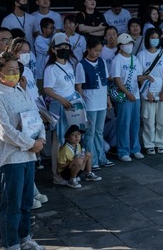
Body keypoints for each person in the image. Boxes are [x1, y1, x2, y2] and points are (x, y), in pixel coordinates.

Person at [0, 52, 47, 250]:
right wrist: (31, 144)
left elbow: (35, 116)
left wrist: (41, 138)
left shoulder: (21, 90)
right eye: (10, 71)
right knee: (11, 205)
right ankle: (10, 249)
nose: (14, 74)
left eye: (17, 70)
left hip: (28, 155)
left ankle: (25, 238)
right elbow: (4, 131)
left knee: (26, 202)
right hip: (10, 158)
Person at [42, 33, 85, 170]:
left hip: (72, 106)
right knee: (58, 139)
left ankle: (72, 169)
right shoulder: (51, 68)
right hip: (59, 106)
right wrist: (61, 99)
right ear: (54, 49)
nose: (64, 49)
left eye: (67, 47)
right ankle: (56, 172)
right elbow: (47, 89)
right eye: (61, 47)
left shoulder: (70, 64)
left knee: (73, 137)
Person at [76, 36, 113, 171]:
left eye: (100, 50)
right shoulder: (81, 65)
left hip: (101, 101)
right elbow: (79, 86)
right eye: (96, 50)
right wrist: (82, 103)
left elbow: (105, 83)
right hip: (90, 102)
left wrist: (108, 99)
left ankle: (101, 158)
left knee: (99, 131)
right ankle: (92, 160)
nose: (98, 53)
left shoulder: (102, 61)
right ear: (88, 49)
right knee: (90, 133)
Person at [110, 33, 147, 162]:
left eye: (131, 43)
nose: (129, 46)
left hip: (135, 96)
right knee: (124, 123)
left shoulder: (135, 59)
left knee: (135, 123)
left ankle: (135, 149)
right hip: (124, 96)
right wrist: (127, 93)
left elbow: (138, 76)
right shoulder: (117, 60)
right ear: (120, 46)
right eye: (126, 44)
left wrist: (146, 77)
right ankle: (123, 151)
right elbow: (117, 79)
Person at [137, 28, 163, 155]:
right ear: (147, 39)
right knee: (148, 120)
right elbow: (140, 76)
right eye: (152, 37)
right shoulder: (141, 55)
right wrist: (147, 93)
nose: (155, 40)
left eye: (157, 37)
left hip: (161, 91)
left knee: (162, 119)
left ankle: (160, 143)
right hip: (148, 91)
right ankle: (149, 144)